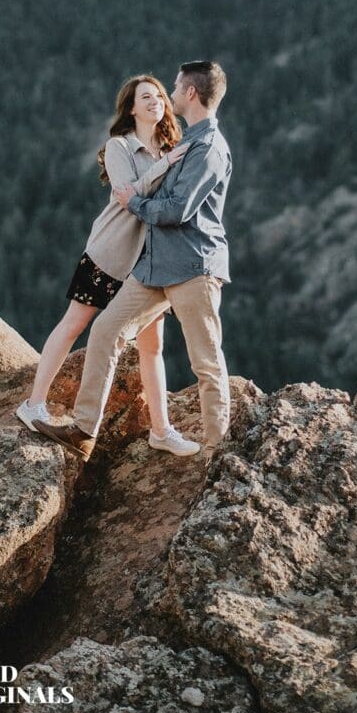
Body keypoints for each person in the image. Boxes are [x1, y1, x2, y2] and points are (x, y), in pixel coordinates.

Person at [30, 60, 232, 463]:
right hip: (155, 267)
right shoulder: (183, 142)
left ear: (190, 93)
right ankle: (84, 429)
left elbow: (178, 210)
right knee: (104, 331)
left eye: (173, 87)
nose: (168, 93)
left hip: (193, 266)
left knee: (206, 361)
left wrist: (134, 202)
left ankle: (217, 453)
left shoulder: (207, 147)